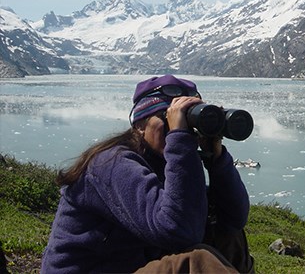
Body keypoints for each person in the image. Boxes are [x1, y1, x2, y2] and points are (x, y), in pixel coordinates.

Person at [41, 75, 254, 273]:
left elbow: (234, 219)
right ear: (140, 125)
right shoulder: (112, 164)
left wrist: (216, 159)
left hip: (132, 266)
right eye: (167, 119)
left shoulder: (169, 161)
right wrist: (179, 142)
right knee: (196, 261)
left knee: (229, 235)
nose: (177, 130)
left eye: (185, 124)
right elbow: (179, 232)